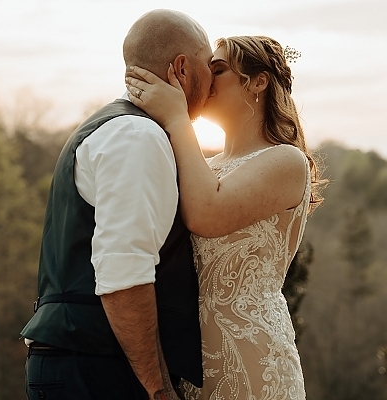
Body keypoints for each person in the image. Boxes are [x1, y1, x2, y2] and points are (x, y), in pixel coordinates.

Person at [20, 9, 214, 400]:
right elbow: (124, 275)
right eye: (209, 66)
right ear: (182, 68)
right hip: (97, 371)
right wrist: (158, 389)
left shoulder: (115, 126)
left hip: (84, 362)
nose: (214, 81)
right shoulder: (136, 136)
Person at [126, 35, 325, 399]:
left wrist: (175, 117)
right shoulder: (206, 167)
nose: (206, 78)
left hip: (252, 358)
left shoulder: (285, 161)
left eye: (217, 70)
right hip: (190, 363)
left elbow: (206, 215)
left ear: (258, 82)